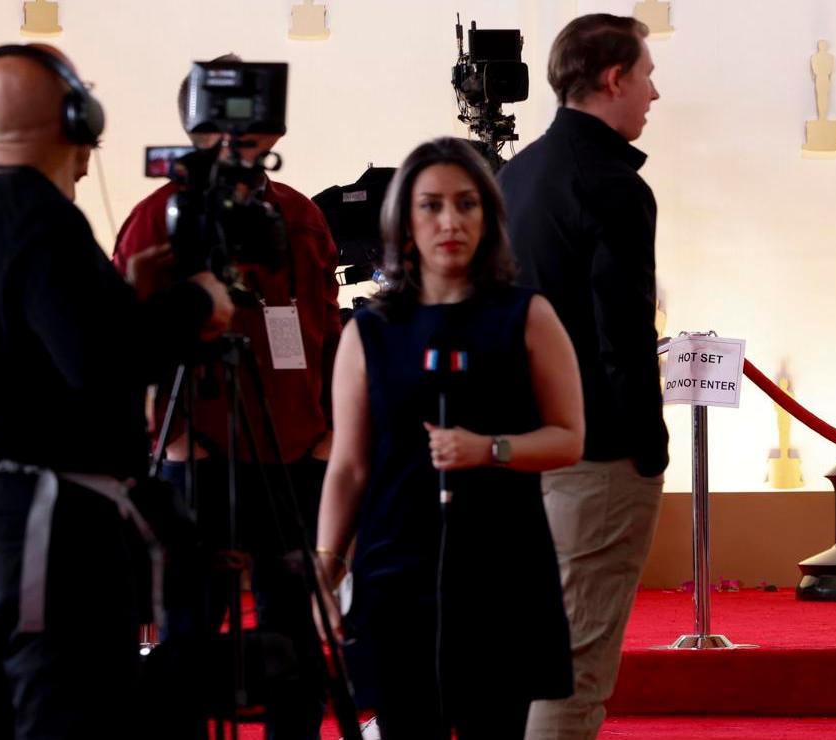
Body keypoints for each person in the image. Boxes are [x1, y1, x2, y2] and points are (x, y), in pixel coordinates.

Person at [0, 43, 232, 738]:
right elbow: (106, 364)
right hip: (47, 530)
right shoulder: (43, 219)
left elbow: (15, 356)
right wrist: (196, 301)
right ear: (78, 119)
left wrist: (118, 298)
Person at [315, 137, 583, 738]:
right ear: (403, 222)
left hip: (502, 568)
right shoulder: (370, 331)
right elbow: (349, 467)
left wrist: (490, 449)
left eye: (466, 204)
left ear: (489, 217)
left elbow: (568, 438)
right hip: (397, 568)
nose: (450, 221)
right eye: (431, 205)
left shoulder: (527, 315)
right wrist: (327, 564)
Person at [114, 54, 341, 740]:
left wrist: (328, 428)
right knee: (189, 627)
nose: (238, 134)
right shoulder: (160, 216)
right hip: (199, 456)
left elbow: (326, 327)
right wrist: (173, 438)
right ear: (192, 124)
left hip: (295, 450)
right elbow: (125, 338)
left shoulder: (299, 215)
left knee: (294, 633)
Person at [496, 14, 667, 738]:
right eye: (648, 75)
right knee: (574, 667)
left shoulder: (515, 174)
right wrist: (648, 449)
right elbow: (621, 333)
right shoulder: (613, 186)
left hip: (518, 448)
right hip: (596, 455)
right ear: (613, 79)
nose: (655, 93)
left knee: (521, 657)